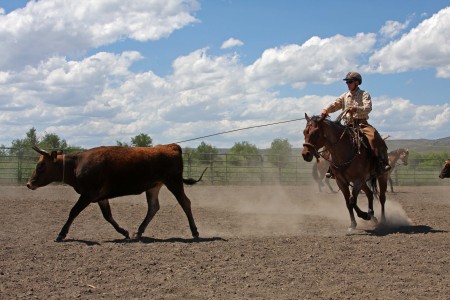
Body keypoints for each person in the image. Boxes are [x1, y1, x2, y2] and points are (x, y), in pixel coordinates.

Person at [320, 71, 391, 177]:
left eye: (350, 82)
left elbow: (368, 108)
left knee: (374, 138)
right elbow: (335, 104)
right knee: (332, 142)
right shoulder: (345, 96)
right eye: (347, 82)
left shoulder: (364, 94)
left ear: (357, 83)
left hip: (362, 124)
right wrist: (326, 110)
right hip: (347, 126)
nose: (348, 84)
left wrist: (356, 109)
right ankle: (333, 168)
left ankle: (381, 164)